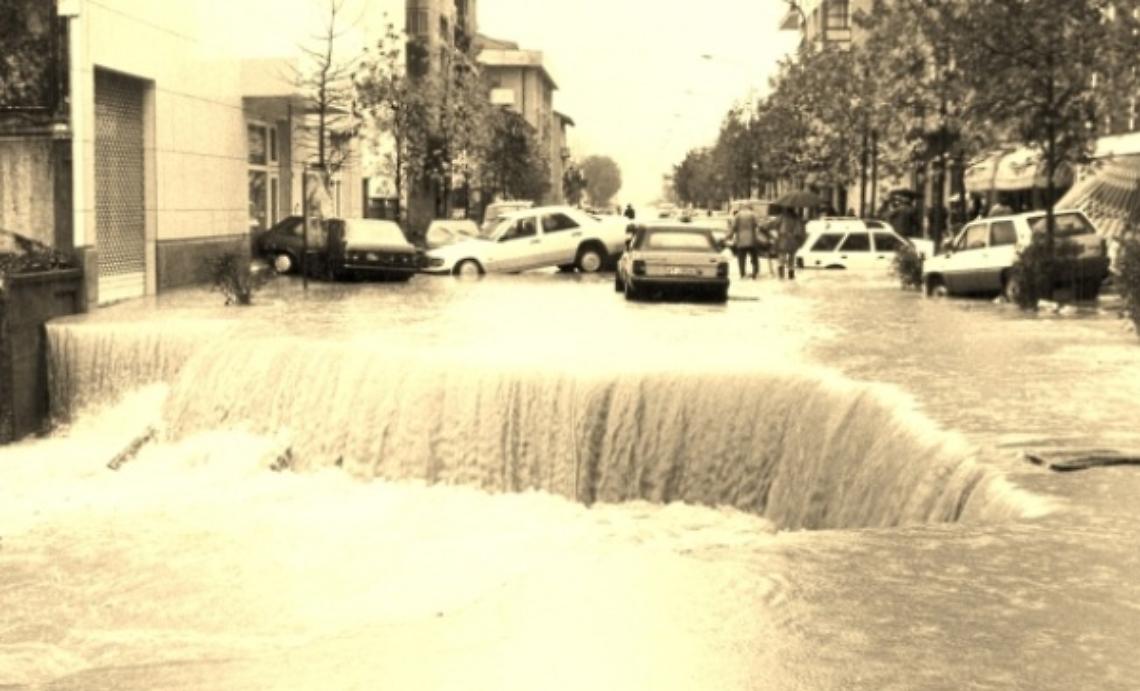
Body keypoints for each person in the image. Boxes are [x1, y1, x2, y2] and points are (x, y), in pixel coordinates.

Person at [726, 205, 761, 279]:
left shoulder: (738, 216)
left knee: (741, 258)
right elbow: (758, 226)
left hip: (741, 240)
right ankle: (755, 272)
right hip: (752, 239)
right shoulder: (753, 215)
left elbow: (733, 228)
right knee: (754, 257)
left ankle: (742, 274)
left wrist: (728, 237)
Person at [776, 207, 805, 280]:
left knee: (782, 256)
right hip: (793, 240)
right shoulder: (797, 218)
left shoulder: (782, 217)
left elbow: (775, 224)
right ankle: (791, 274)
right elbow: (799, 231)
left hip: (783, 239)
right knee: (792, 257)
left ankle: (781, 275)